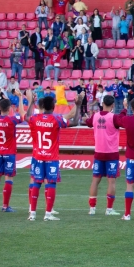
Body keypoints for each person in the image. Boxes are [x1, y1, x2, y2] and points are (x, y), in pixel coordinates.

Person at [24, 90, 83, 221]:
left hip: (38, 157)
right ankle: (48, 214)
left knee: (36, 184)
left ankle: (32, 214)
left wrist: (31, 103)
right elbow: (74, 122)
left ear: (43, 106)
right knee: (51, 184)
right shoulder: (56, 119)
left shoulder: (35, 119)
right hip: (51, 158)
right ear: (53, 106)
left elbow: (26, 118)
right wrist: (78, 106)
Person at [83, 94, 122, 216]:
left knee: (95, 181)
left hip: (99, 152)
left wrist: (86, 118)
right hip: (111, 153)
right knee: (111, 182)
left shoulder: (95, 116)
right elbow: (124, 121)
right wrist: (125, 109)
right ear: (113, 105)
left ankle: (92, 209)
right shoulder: (114, 117)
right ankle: (109, 209)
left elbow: (88, 122)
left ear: (102, 103)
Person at [0, 91, 25, 212]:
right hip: (9, 153)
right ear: (9, 108)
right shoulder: (12, 120)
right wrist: (20, 97)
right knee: (8, 178)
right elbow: (22, 115)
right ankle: (5, 206)